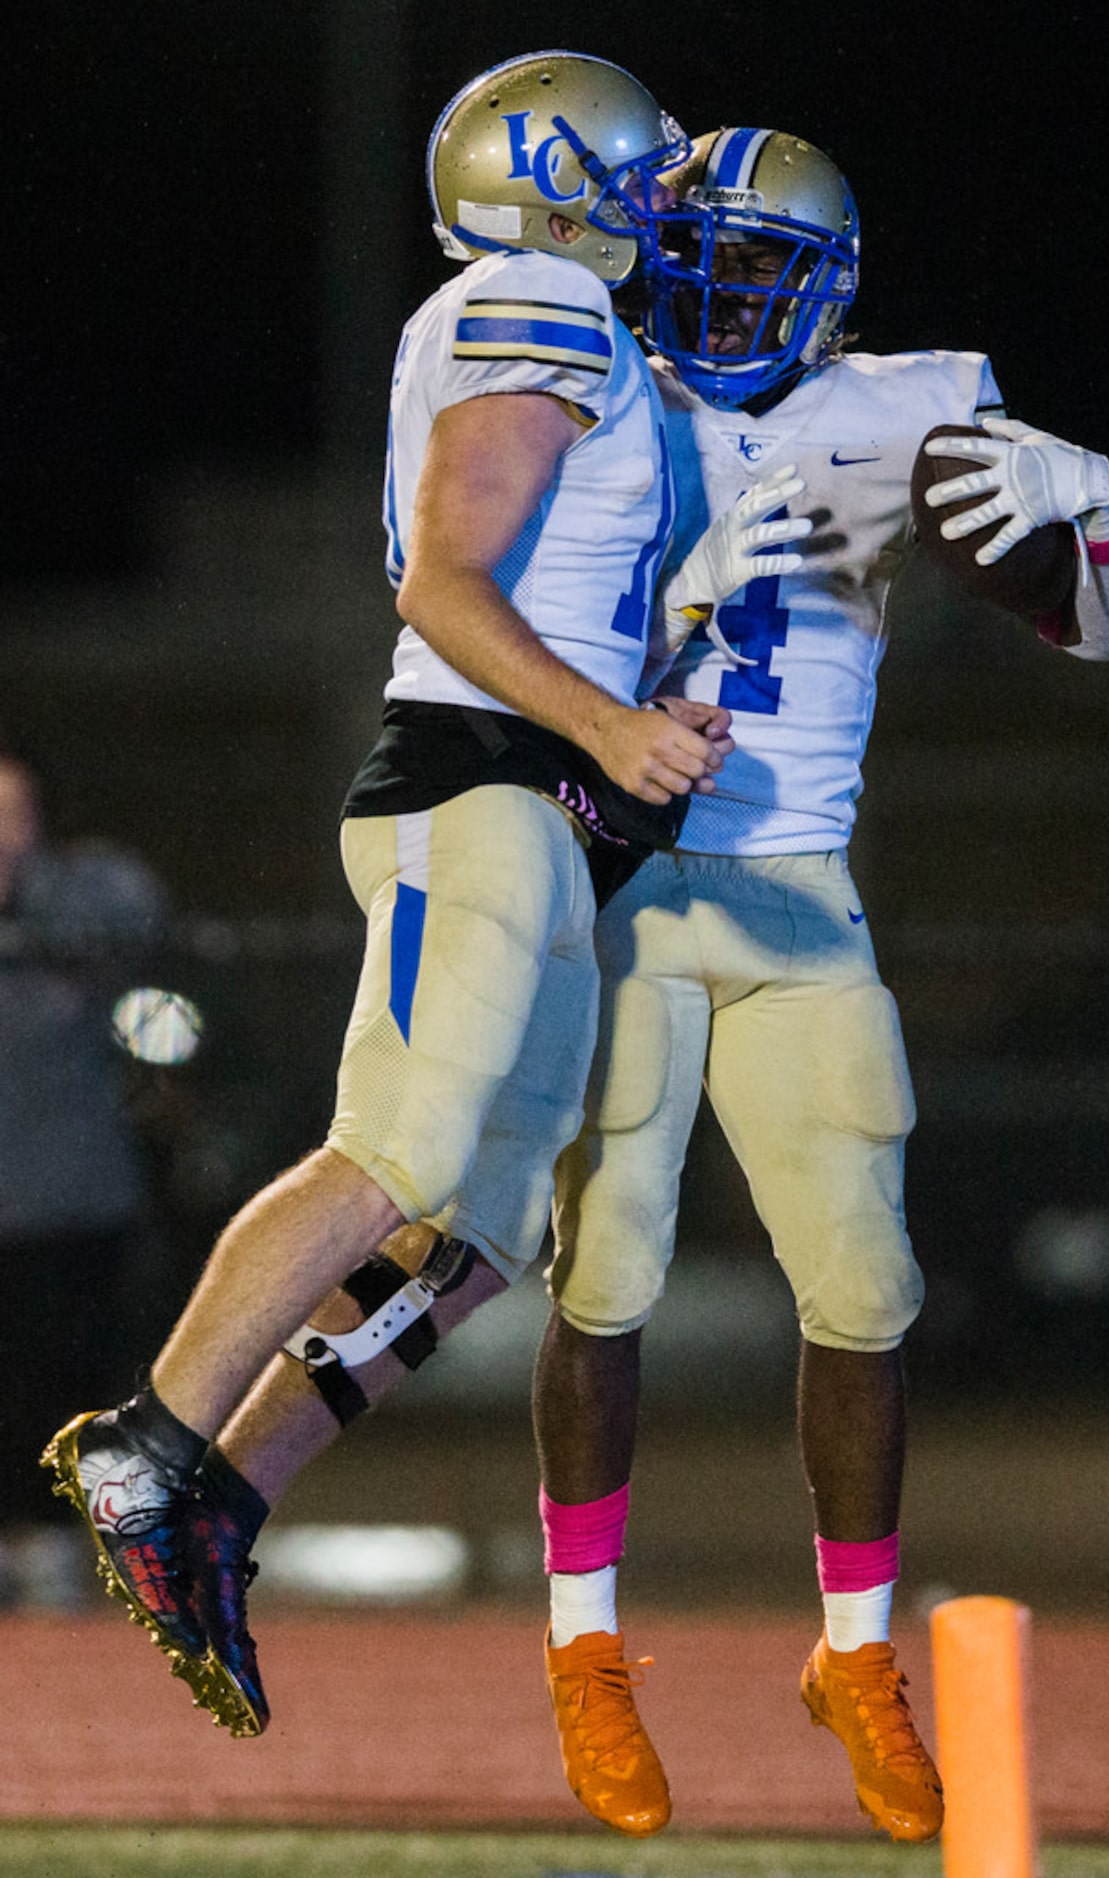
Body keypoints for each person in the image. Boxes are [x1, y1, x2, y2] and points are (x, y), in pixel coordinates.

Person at [76, 125, 1109, 1848]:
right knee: (563, 1248)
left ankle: (842, 1652)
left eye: (757, 268)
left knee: (796, 1267)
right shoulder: (586, 360)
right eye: (700, 253)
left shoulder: (896, 401)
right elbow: (463, 567)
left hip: (784, 875)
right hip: (608, 848)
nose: (720, 296)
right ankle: (529, 1623)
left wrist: (1087, 527)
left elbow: (1101, 629)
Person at [39, 50, 770, 1731]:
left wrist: (632, 718)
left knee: (490, 1224)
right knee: (402, 1147)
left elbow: (535, 582)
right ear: (554, 178)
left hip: (541, 783)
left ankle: (226, 1492)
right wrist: (605, 723)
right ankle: (152, 1442)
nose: (663, 192)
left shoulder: (580, 331)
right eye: (639, 166)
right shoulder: (536, 299)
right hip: (475, 780)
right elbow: (440, 573)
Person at [0, 750, 171, 1605]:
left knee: (65, 1382)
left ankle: (56, 1553)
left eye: (12, 816)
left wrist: (29, 889)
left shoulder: (82, 894)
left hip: (68, 1205)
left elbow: (137, 917)